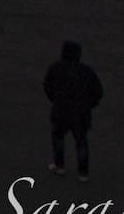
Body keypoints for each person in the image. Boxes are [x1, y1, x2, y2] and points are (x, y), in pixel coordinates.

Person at [41, 41, 102, 178]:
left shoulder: (55, 68)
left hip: (61, 110)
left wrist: (55, 99)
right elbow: (98, 91)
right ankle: (83, 172)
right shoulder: (86, 71)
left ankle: (60, 165)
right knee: (81, 141)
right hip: (81, 112)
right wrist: (89, 104)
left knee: (58, 137)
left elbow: (47, 86)